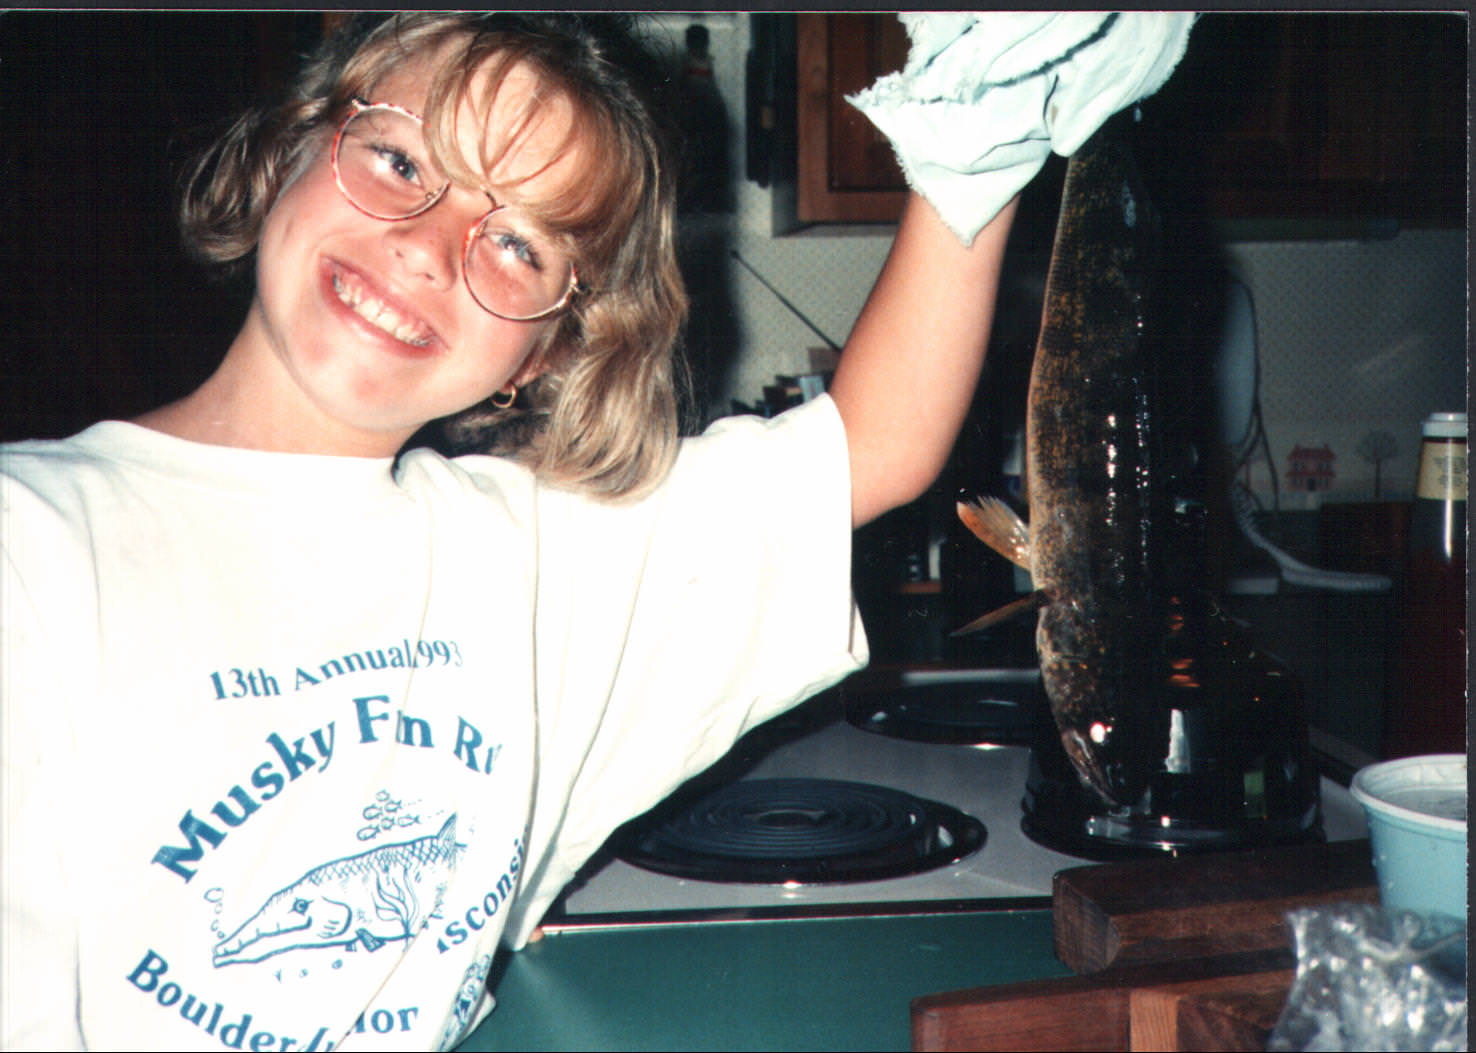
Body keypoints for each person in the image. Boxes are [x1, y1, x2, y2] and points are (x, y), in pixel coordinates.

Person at [0, 11, 1188, 1050]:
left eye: (516, 241)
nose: (428, 245)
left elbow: (871, 451)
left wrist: (971, 151)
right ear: (296, 151)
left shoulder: (531, 560)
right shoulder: (34, 545)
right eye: (401, 159)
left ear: (549, 352)